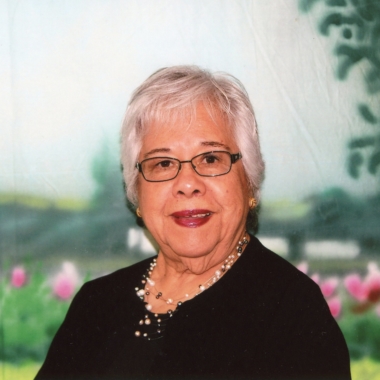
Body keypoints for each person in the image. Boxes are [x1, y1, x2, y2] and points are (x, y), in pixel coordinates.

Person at [36, 66, 351, 380]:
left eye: (211, 158)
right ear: (138, 194)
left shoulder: (293, 313)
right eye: (163, 163)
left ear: (250, 183)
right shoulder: (96, 303)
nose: (188, 183)